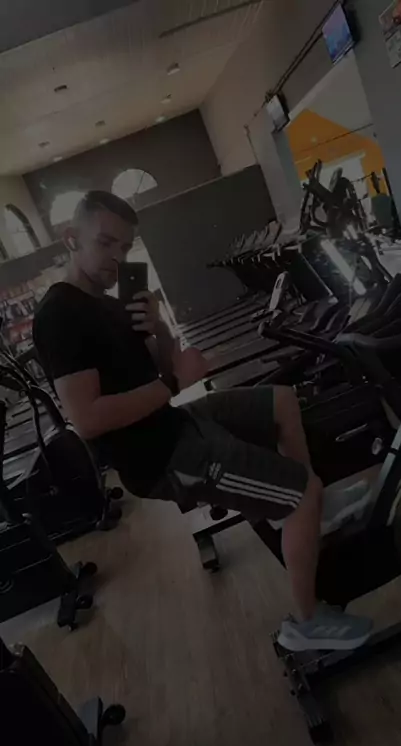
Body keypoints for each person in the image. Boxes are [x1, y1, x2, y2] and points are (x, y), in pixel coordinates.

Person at [33, 190, 373, 652]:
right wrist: (174, 383)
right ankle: (307, 623)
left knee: (283, 402)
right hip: (160, 458)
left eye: (125, 247)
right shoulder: (58, 314)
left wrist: (159, 327)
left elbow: (163, 364)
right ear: (71, 238)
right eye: (105, 243)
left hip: (173, 422)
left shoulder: (112, 302)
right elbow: (88, 419)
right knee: (300, 496)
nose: (117, 257)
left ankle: (314, 509)